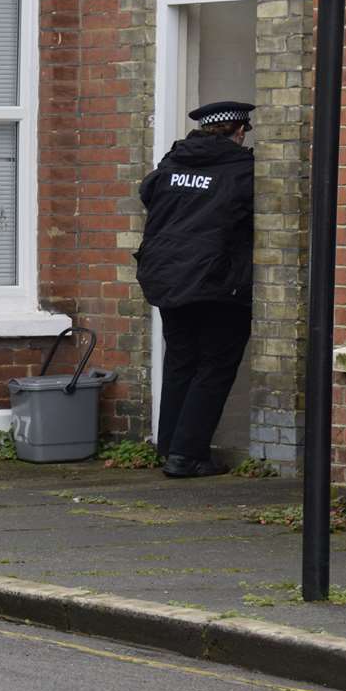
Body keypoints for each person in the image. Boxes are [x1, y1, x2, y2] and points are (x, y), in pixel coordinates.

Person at [136, 101, 255, 478]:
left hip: (168, 277)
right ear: (238, 132)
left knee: (181, 361)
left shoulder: (172, 164)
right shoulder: (242, 171)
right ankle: (186, 457)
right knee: (215, 366)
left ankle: (171, 445)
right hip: (216, 282)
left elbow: (147, 194)